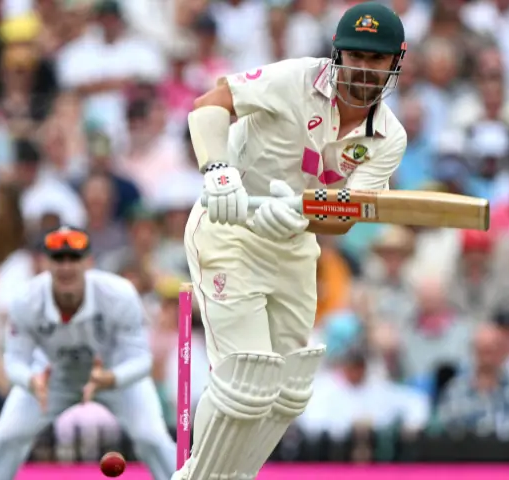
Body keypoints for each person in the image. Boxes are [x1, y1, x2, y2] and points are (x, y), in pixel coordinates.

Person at [179, 2, 407, 479]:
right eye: (355, 56)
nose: (363, 69)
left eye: (376, 59)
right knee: (247, 381)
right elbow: (208, 107)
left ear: (396, 61)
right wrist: (219, 171)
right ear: (337, 53)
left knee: (287, 392)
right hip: (230, 229)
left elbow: (345, 218)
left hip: (296, 244)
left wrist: (300, 212)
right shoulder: (294, 79)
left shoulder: (389, 137)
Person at [0, 226, 176, 480]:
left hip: (113, 375)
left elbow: (141, 360)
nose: (66, 267)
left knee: (151, 437)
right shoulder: (26, 300)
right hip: (52, 378)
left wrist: (110, 379)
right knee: (7, 436)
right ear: (45, 262)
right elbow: (14, 360)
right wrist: (30, 381)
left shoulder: (118, 294)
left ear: (89, 261)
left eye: (74, 258)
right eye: (58, 259)